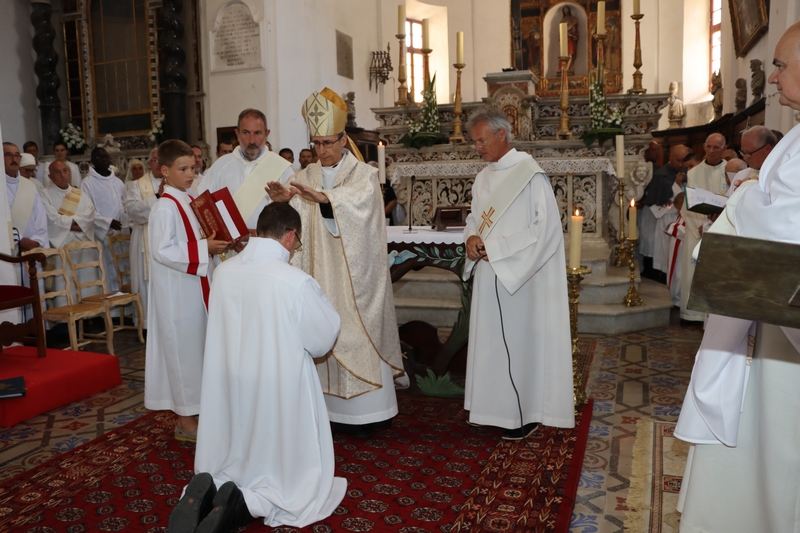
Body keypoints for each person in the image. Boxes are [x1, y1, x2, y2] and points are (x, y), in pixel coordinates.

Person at [675, 22, 800, 532]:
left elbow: (785, 221)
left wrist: (746, 195)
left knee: (780, 437)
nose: (773, 78)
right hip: (773, 311)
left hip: (784, 309)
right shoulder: (795, 139)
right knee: (764, 435)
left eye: (782, 65)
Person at [172, 203, 346, 533]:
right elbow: (323, 340)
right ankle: (245, 505)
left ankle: (210, 491)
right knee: (280, 473)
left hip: (229, 381)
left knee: (233, 443)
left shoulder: (223, 271)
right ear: (291, 235)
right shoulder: (295, 281)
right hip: (276, 386)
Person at [266, 88, 405, 439]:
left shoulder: (365, 175)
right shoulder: (306, 175)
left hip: (352, 277)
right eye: (317, 143)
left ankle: (370, 412)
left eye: (328, 142)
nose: (322, 151)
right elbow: (294, 226)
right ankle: (326, 411)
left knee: (353, 330)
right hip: (317, 273)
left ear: (344, 139)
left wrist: (327, 200)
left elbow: (362, 213)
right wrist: (286, 202)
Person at [461, 107, 574, 440]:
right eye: (474, 142)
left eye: (481, 141)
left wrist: (496, 248)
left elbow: (547, 230)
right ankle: (490, 409)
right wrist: (470, 237)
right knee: (490, 345)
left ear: (501, 135)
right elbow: (474, 217)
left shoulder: (530, 174)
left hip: (520, 278)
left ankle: (523, 415)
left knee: (518, 344)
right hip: (488, 273)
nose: (477, 148)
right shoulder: (483, 177)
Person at [145, 140, 230, 442]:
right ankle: (185, 420)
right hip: (176, 292)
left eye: (193, 167)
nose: (191, 174)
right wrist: (204, 247)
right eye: (183, 169)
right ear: (164, 171)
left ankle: (197, 411)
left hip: (194, 286)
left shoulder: (187, 198)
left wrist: (213, 238)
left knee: (197, 351)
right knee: (182, 354)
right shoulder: (165, 207)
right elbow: (161, 250)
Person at [199, 109, 294, 241]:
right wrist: (225, 237)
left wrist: (262, 234)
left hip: (266, 247)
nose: (252, 140)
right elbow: (204, 206)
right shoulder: (221, 166)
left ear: (267, 134)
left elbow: (293, 215)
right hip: (228, 248)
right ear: (237, 134)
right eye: (246, 133)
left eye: (258, 133)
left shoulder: (283, 168)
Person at [679, 133, 727, 322]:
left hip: (723, 228)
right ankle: (694, 314)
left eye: (716, 147)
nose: (712, 151)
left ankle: (715, 315)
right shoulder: (694, 172)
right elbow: (690, 204)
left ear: (724, 148)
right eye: (709, 147)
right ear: (704, 148)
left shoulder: (732, 170)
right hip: (697, 227)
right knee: (694, 270)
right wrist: (702, 226)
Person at [39, 160, 96, 307]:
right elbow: (52, 219)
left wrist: (69, 223)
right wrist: (78, 224)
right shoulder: (44, 195)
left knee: (86, 279)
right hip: (61, 245)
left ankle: (89, 313)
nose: (63, 175)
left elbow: (89, 216)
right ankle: (66, 313)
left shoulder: (80, 194)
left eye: (65, 171)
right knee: (65, 281)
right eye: (57, 172)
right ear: (50, 176)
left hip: (82, 245)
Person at [124, 149, 164, 330]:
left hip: (168, 238)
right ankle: (147, 325)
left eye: (161, 160)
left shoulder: (175, 181)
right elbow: (132, 210)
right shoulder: (137, 185)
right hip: (145, 239)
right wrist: (157, 197)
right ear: (150, 163)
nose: (158, 163)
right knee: (146, 282)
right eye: (155, 160)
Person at [80, 147, 128, 294]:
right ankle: (111, 312)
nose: (104, 160)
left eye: (106, 157)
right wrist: (108, 222)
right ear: (92, 161)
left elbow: (124, 203)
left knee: (123, 268)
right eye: (100, 157)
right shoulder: (87, 183)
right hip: (102, 234)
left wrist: (124, 221)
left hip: (120, 234)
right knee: (107, 270)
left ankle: (125, 310)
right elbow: (86, 210)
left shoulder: (118, 182)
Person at [4, 142, 48, 256]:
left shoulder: (30, 186)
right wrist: (20, 241)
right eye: (8, 155)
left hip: (32, 250)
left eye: (17, 155)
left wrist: (36, 241)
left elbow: (40, 217)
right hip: (8, 251)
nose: (14, 159)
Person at [728, 125, 777, 197]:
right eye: (743, 152)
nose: (745, 158)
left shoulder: (780, 175)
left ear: (767, 149)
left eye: (748, 153)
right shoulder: (741, 175)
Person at [665, 192, 685, 307]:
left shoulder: (690, 215)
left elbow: (689, 231)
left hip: (682, 250)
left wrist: (673, 226)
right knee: (674, 273)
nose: (678, 211)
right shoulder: (680, 215)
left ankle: (678, 300)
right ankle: (672, 297)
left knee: (679, 274)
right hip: (675, 248)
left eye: (680, 209)